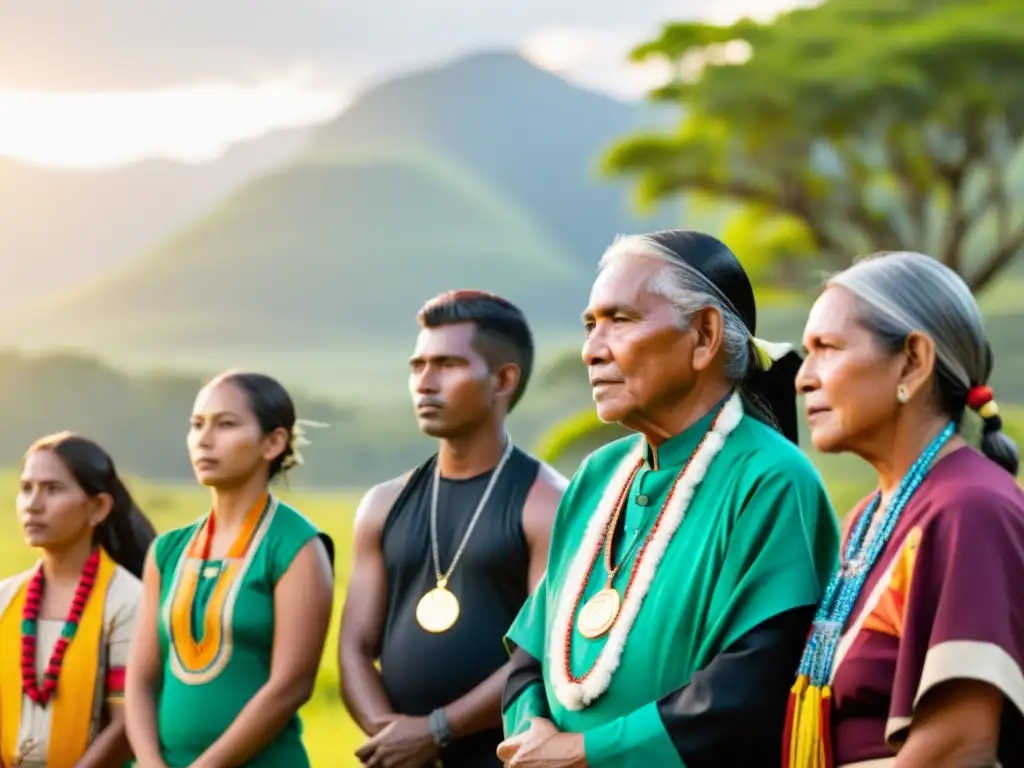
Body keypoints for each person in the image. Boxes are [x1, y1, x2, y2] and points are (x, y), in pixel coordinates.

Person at [497, 230, 841, 768]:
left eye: (620, 320)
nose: (592, 348)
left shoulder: (771, 479)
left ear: (703, 336)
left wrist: (585, 754)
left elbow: (749, 691)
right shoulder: (596, 476)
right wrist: (531, 740)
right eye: (590, 325)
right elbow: (531, 655)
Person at [785, 251, 1024, 768]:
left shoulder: (971, 509)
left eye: (827, 348)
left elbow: (959, 749)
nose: (804, 378)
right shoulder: (866, 521)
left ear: (913, 361)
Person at [340, 289, 566, 768]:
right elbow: (355, 647)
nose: (424, 382)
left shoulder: (547, 504)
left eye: (446, 365)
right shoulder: (383, 504)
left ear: (504, 380)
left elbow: (542, 653)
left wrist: (437, 730)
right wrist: (394, 738)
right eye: (417, 366)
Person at [124, 371, 335, 768]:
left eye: (225, 424)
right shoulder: (167, 551)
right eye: (197, 424)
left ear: (273, 443)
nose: (204, 439)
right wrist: (151, 762)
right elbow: (140, 680)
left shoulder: (296, 545)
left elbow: (291, 685)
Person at [0, 432, 156, 768]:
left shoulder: (128, 601)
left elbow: (126, 723)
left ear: (98, 507)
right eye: (26, 488)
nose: (33, 504)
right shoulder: (5, 598)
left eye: (53, 489)